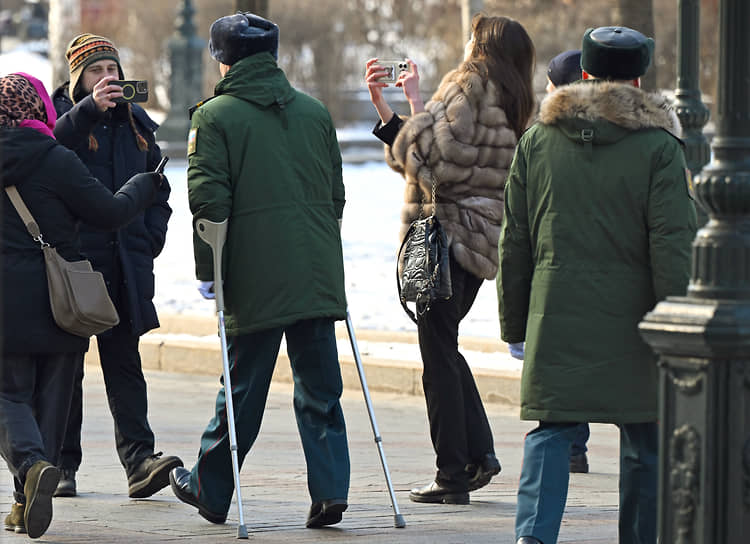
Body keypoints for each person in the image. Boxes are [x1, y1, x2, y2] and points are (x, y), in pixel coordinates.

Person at [497, 26, 697, 544]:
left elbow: (514, 239)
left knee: (552, 431)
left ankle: (532, 537)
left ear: (583, 73)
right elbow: (673, 245)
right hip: (638, 322)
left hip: (555, 314)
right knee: (645, 438)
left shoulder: (537, 141)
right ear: (638, 78)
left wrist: (516, 324)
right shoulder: (659, 147)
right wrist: (678, 329)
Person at [168, 12, 351, 529]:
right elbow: (335, 195)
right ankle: (331, 489)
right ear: (272, 55)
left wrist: (211, 271)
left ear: (222, 59)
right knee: (321, 385)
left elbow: (208, 203)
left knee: (243, 385)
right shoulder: (315, 112)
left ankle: (210, 486)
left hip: (252, 271)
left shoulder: (215, 116)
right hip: (315, 269)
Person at [364, 14, 535, 505]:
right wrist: (385, 110)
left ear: (481, 45)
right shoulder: (513, 98)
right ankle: (478, 454)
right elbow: (426, 160)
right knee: (445, 346)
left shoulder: (466, 85)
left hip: (446, 236)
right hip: (479, 241)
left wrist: (416, 101)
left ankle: (451, 474)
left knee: (437, 356)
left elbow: (433, 159)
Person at [0, 72, 164, 538]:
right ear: (38, 110)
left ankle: (29, 473)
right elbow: (110, 212)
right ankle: (27, 490)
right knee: (53, 399)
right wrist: (143, 186)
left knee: (9, 394)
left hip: (6, 301)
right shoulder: (56, 159)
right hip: (62, 296)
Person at [49, 34, 182, 499]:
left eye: (113, 70)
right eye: (96, 71)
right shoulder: (58, 118)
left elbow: (159, 188)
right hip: (74, 265)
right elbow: (45, 152)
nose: (108, 79)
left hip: (126, 262)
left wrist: (150, 238)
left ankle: (140, 461)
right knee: (66, 366)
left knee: (125, 363)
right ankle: (61, 465)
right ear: (77, 78)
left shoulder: (136, 122)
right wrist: (88, 109)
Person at [545, 49, 590, 475]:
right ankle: (576, 444)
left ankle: (571, 445)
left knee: (564, 357)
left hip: (561, 262)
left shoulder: (544, 139)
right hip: (596, 260)